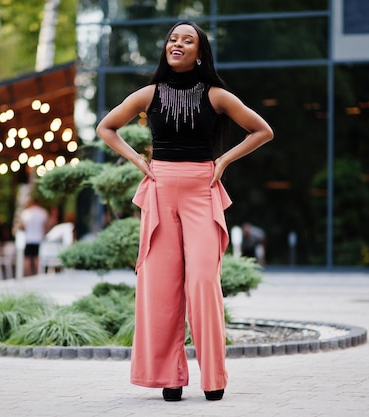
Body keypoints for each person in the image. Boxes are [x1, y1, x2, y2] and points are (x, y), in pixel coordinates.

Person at [96, 21, 273, 402]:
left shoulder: (217, 96)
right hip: (159, 193)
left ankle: (213, 377)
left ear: (199, 53)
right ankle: (169, 377)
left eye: (187, 40)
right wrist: (138, 161)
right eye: (173, 39)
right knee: (159, 288)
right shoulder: (148, 94)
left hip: (200, 192)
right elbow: (106, 128)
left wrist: (223, 161)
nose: (177, 44)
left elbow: (262, 131)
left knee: (202, 284)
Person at [19, 198, 49, 276]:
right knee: (37, 258)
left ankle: (27, 276)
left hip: (28, 238)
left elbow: (22, 226)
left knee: (27, 259)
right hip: (39, 238)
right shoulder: (43, 212)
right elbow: (45, 227)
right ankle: (37, 275)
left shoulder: (26, 213)